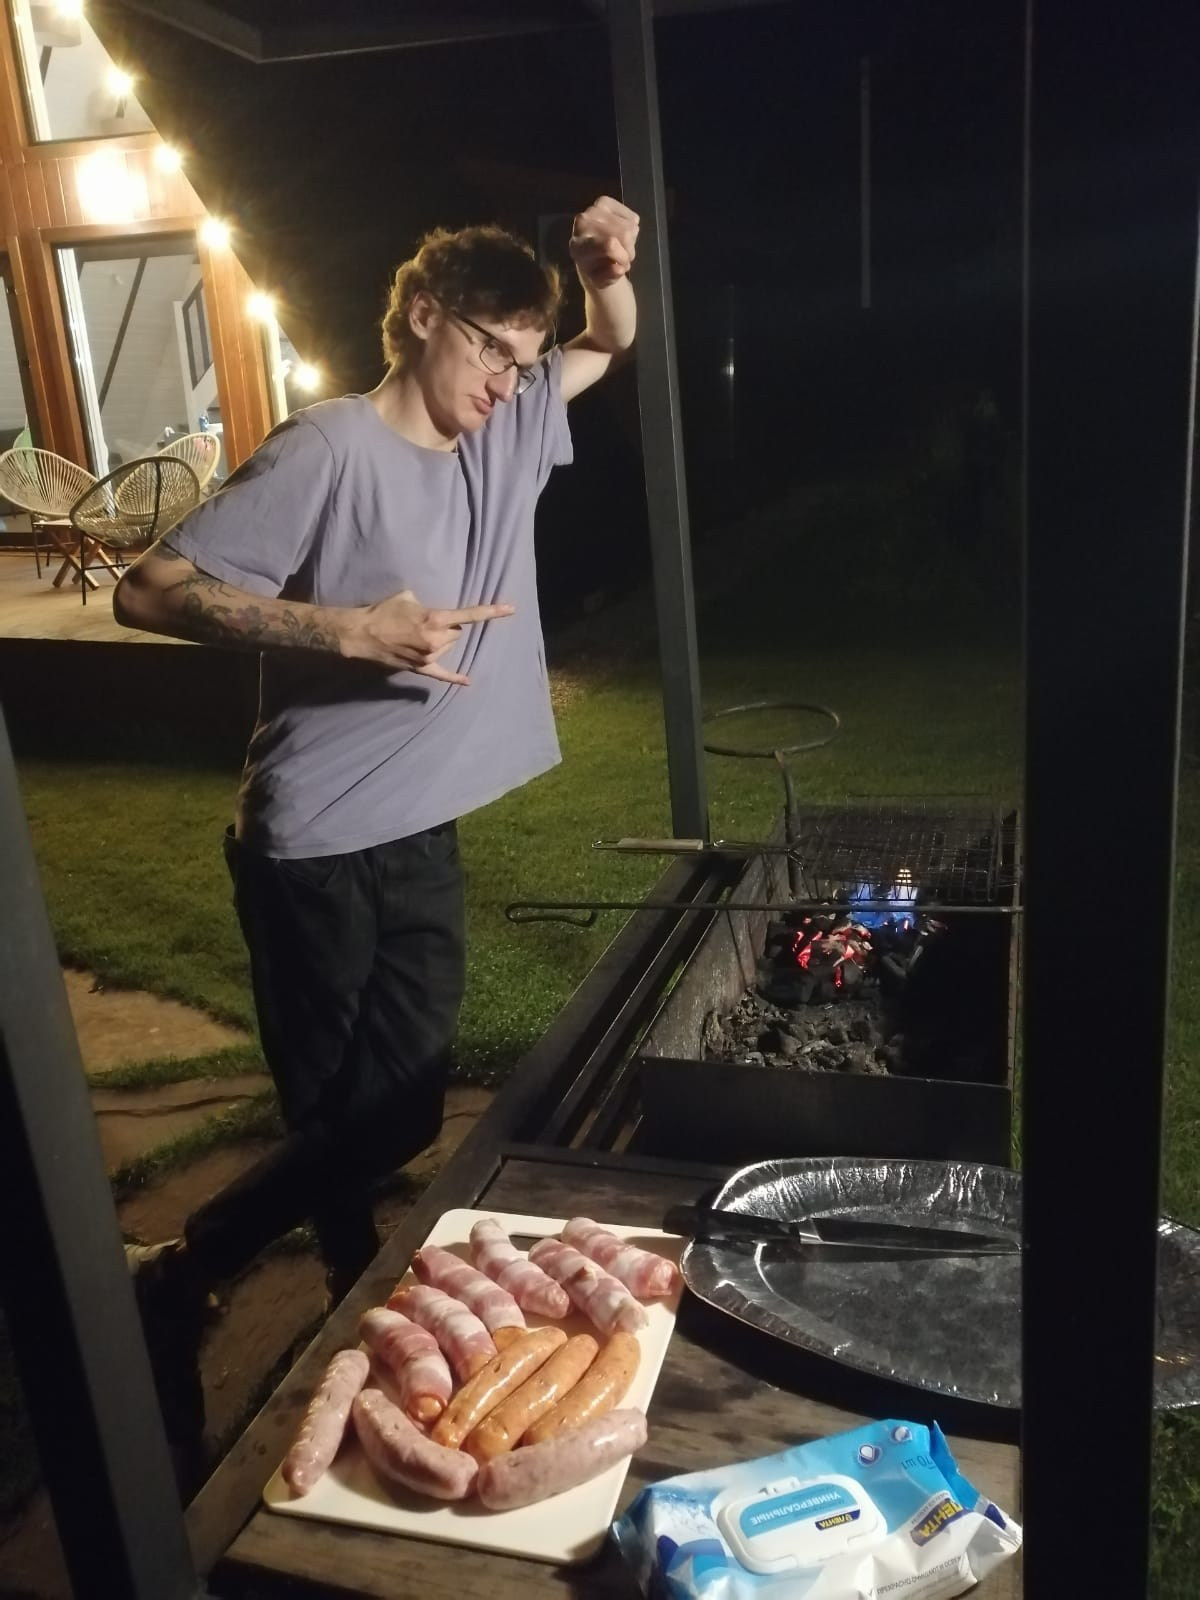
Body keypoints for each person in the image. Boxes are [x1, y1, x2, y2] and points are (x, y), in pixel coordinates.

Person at [113, 195, 639, 1461]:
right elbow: (149, 589)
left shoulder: (507, 429)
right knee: (341, 1110)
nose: (507, 384)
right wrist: (342, 629)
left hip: (419, 831)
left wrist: (603, 272)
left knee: (388, 1107)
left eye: (522, 360)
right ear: (420, 317)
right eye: (489, 351)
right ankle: (245, 1285)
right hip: (311, 846)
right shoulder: (329, 448)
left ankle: (217, 1274)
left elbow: (612, 342)